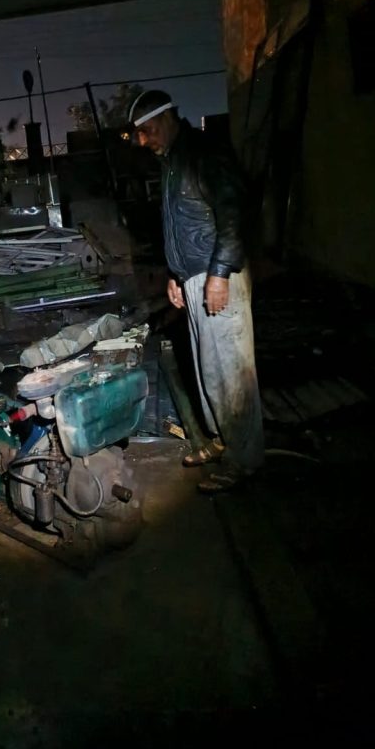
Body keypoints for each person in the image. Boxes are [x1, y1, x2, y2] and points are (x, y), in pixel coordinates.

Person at [128, 90, 264, 492]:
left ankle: (244, 460)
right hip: (194, 277)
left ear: (167, 118)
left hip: (218, 276)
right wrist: (175, 275)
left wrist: (219, 274)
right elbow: (180, 225)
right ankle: (223, 438)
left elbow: (233, 216)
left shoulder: (204, 153)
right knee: (209, 368)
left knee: (232, 371)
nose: (143, 140)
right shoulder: (172, 162)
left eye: (148, 130)